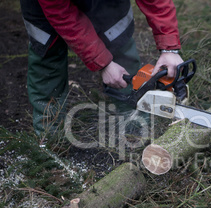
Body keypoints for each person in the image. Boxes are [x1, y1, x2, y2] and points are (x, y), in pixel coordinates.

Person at [20, 0, 183, 137]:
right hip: (48, 8)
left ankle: (136, 129)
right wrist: (102, 62)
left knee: (121, 51)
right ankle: (49, 141)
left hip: (107, 6)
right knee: (48, 66)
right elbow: (62, 14)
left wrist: (169, 47)